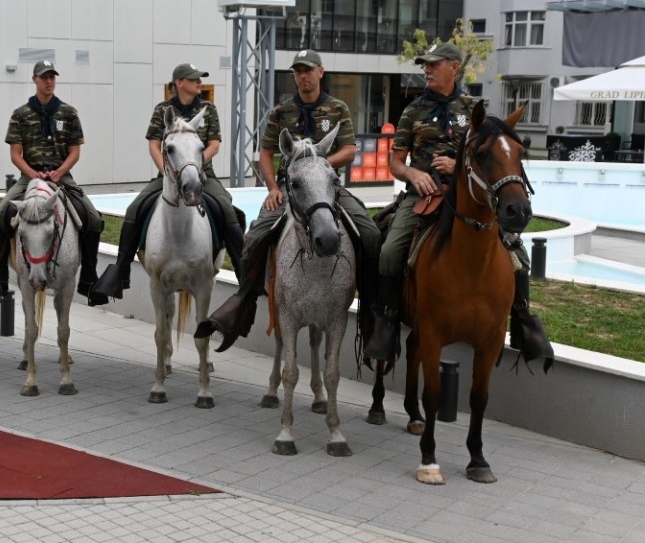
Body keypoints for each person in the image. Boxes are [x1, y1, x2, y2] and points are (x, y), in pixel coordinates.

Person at [370, 42, 554, 370]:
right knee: (388, 251)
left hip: (465, 198)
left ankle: (524, 321)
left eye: (433, 64)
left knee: (517, 255)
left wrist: (456, 167)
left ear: (453, 67)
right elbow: (395, 163)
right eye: (425, 64)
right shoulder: (412, 111)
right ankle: (386, 321)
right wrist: (413, 173)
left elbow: (489, 155)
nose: (426, 69)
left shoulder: (475, 110)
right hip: (421, 197)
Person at [194, 49, 390, 352]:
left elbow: (350, 150)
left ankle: (373, 309)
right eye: (298, 71)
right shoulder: (281, 112)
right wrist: (272, 187)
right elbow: (266, 153)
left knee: (370, 233)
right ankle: (243, 302)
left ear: (321, 73)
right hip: (289, 191)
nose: (303, 76)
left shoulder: (337, 108)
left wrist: (321, 167)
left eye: (308, 70)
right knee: (255, 237)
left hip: (328, 189)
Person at [92, 63, 245, 300]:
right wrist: (167, 171)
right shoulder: (163, 109)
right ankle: (120, 274)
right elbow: (154, 145)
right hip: (167, 176)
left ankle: (244, 276)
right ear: (179, 83)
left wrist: (192, 167)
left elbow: (214, 144)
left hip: (203, 175)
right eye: (194, 79)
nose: (199, 83)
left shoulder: (208, 108)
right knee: (134, 210)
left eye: (200, 79)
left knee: (228, 210)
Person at [0, 60, 107, 306]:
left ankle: (89, 281)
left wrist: (60, 172)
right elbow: (16, 154)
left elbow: (74, 151)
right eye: (44, 77)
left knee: (93, 219)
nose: (49, 81)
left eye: (52, 77)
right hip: (29, 178)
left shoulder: (69, 113)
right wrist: (33, 174)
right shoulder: (21, 114)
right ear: (34, 80)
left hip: (62, 177)